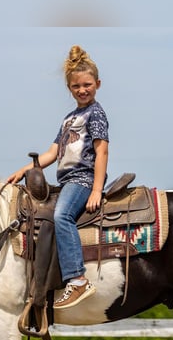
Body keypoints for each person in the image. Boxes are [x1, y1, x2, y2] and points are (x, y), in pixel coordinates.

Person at [7, 45, 109, 310]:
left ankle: (77, 279)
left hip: (83, 179)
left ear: (97, 84)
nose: (82, 90)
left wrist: (96, 190)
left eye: (87, 85)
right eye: (76, 86)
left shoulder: (95, 113)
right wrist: (24, 170)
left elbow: (101, 151)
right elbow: (53, 152)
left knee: (61, 216)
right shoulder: (69, 118)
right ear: (69, 89)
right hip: (67, 181)